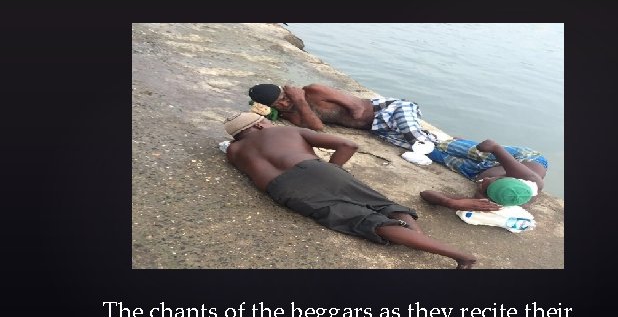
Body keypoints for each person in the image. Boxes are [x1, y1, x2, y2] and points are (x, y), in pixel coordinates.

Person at [222, 112, 477, 269]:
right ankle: (426, 241)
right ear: (256, 126)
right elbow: (348, 144)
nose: (267, 122)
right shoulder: (286, 130)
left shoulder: (234, 151)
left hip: (285, 189)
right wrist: (336, 170)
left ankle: (445, 251)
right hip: (317, 169)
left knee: (361, 220)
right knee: (380, 203)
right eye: (263, 121)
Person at [247, 83, 437, 150]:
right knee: (422, 145)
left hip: (388, 108)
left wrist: (302, 99)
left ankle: (421, 140)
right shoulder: (293, 114)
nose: (284, 103)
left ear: (287, 90)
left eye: (284, 97)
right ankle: (436, 141)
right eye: (277, 105)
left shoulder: (315, 91)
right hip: (376, 127)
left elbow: (357, 110)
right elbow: (317, 127)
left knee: (416, 139)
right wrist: (299, 102)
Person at [420, 138, 548, 211]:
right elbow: (493, 146)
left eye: (485, 185)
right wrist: (492, 148)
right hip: (518, 159)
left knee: (430, 151)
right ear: (508, 176)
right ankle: (455, 141)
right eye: (493, 179)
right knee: (451, 146)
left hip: (476, 172)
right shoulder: (529, 178)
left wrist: (450, 203)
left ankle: (436, 146)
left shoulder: (496, 203)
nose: (485, 180)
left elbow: (426, 194)